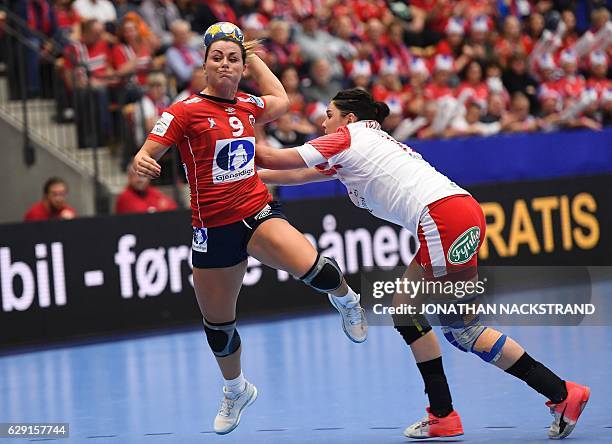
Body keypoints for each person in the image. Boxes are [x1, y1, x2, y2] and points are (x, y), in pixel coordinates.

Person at [256, 87, 590, 441]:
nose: (323, 123)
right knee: (425, 316)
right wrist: (237, 175)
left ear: (348, 118)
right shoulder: (360, 145)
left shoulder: (348, 137)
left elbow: (275, 159)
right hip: (455, 213)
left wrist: (247, 119)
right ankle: (452, 412)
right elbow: (286, 175)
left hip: (442, 220)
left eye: (328, 115)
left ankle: (553, 395)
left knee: (459, 328)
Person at [132, 23, 367, 435]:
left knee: (318, 272)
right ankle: (236, 389)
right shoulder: (183, 111)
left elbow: (281, 99)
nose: (224, 64)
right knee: (219, 327)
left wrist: (251, 53)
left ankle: (348, 302)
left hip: (255, 210)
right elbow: (147, 152)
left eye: (233, 59)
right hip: (211, 229)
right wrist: (142, 162)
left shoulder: (247, 105)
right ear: (203, 65)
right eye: (217, 58)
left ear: (242, 66)